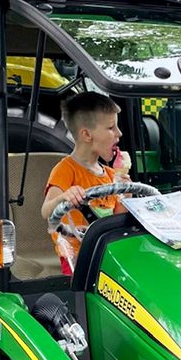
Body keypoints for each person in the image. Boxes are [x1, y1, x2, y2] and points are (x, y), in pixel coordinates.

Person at [40, 92, 126, 272]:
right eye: (111, 128)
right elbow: (46, 211)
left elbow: (117, 220)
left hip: (105, 252)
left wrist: (127, 194)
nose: (119, 133)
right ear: (87, 134)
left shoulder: (111, 174)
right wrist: (64, 196)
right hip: (76, 256)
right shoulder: (66, 169)